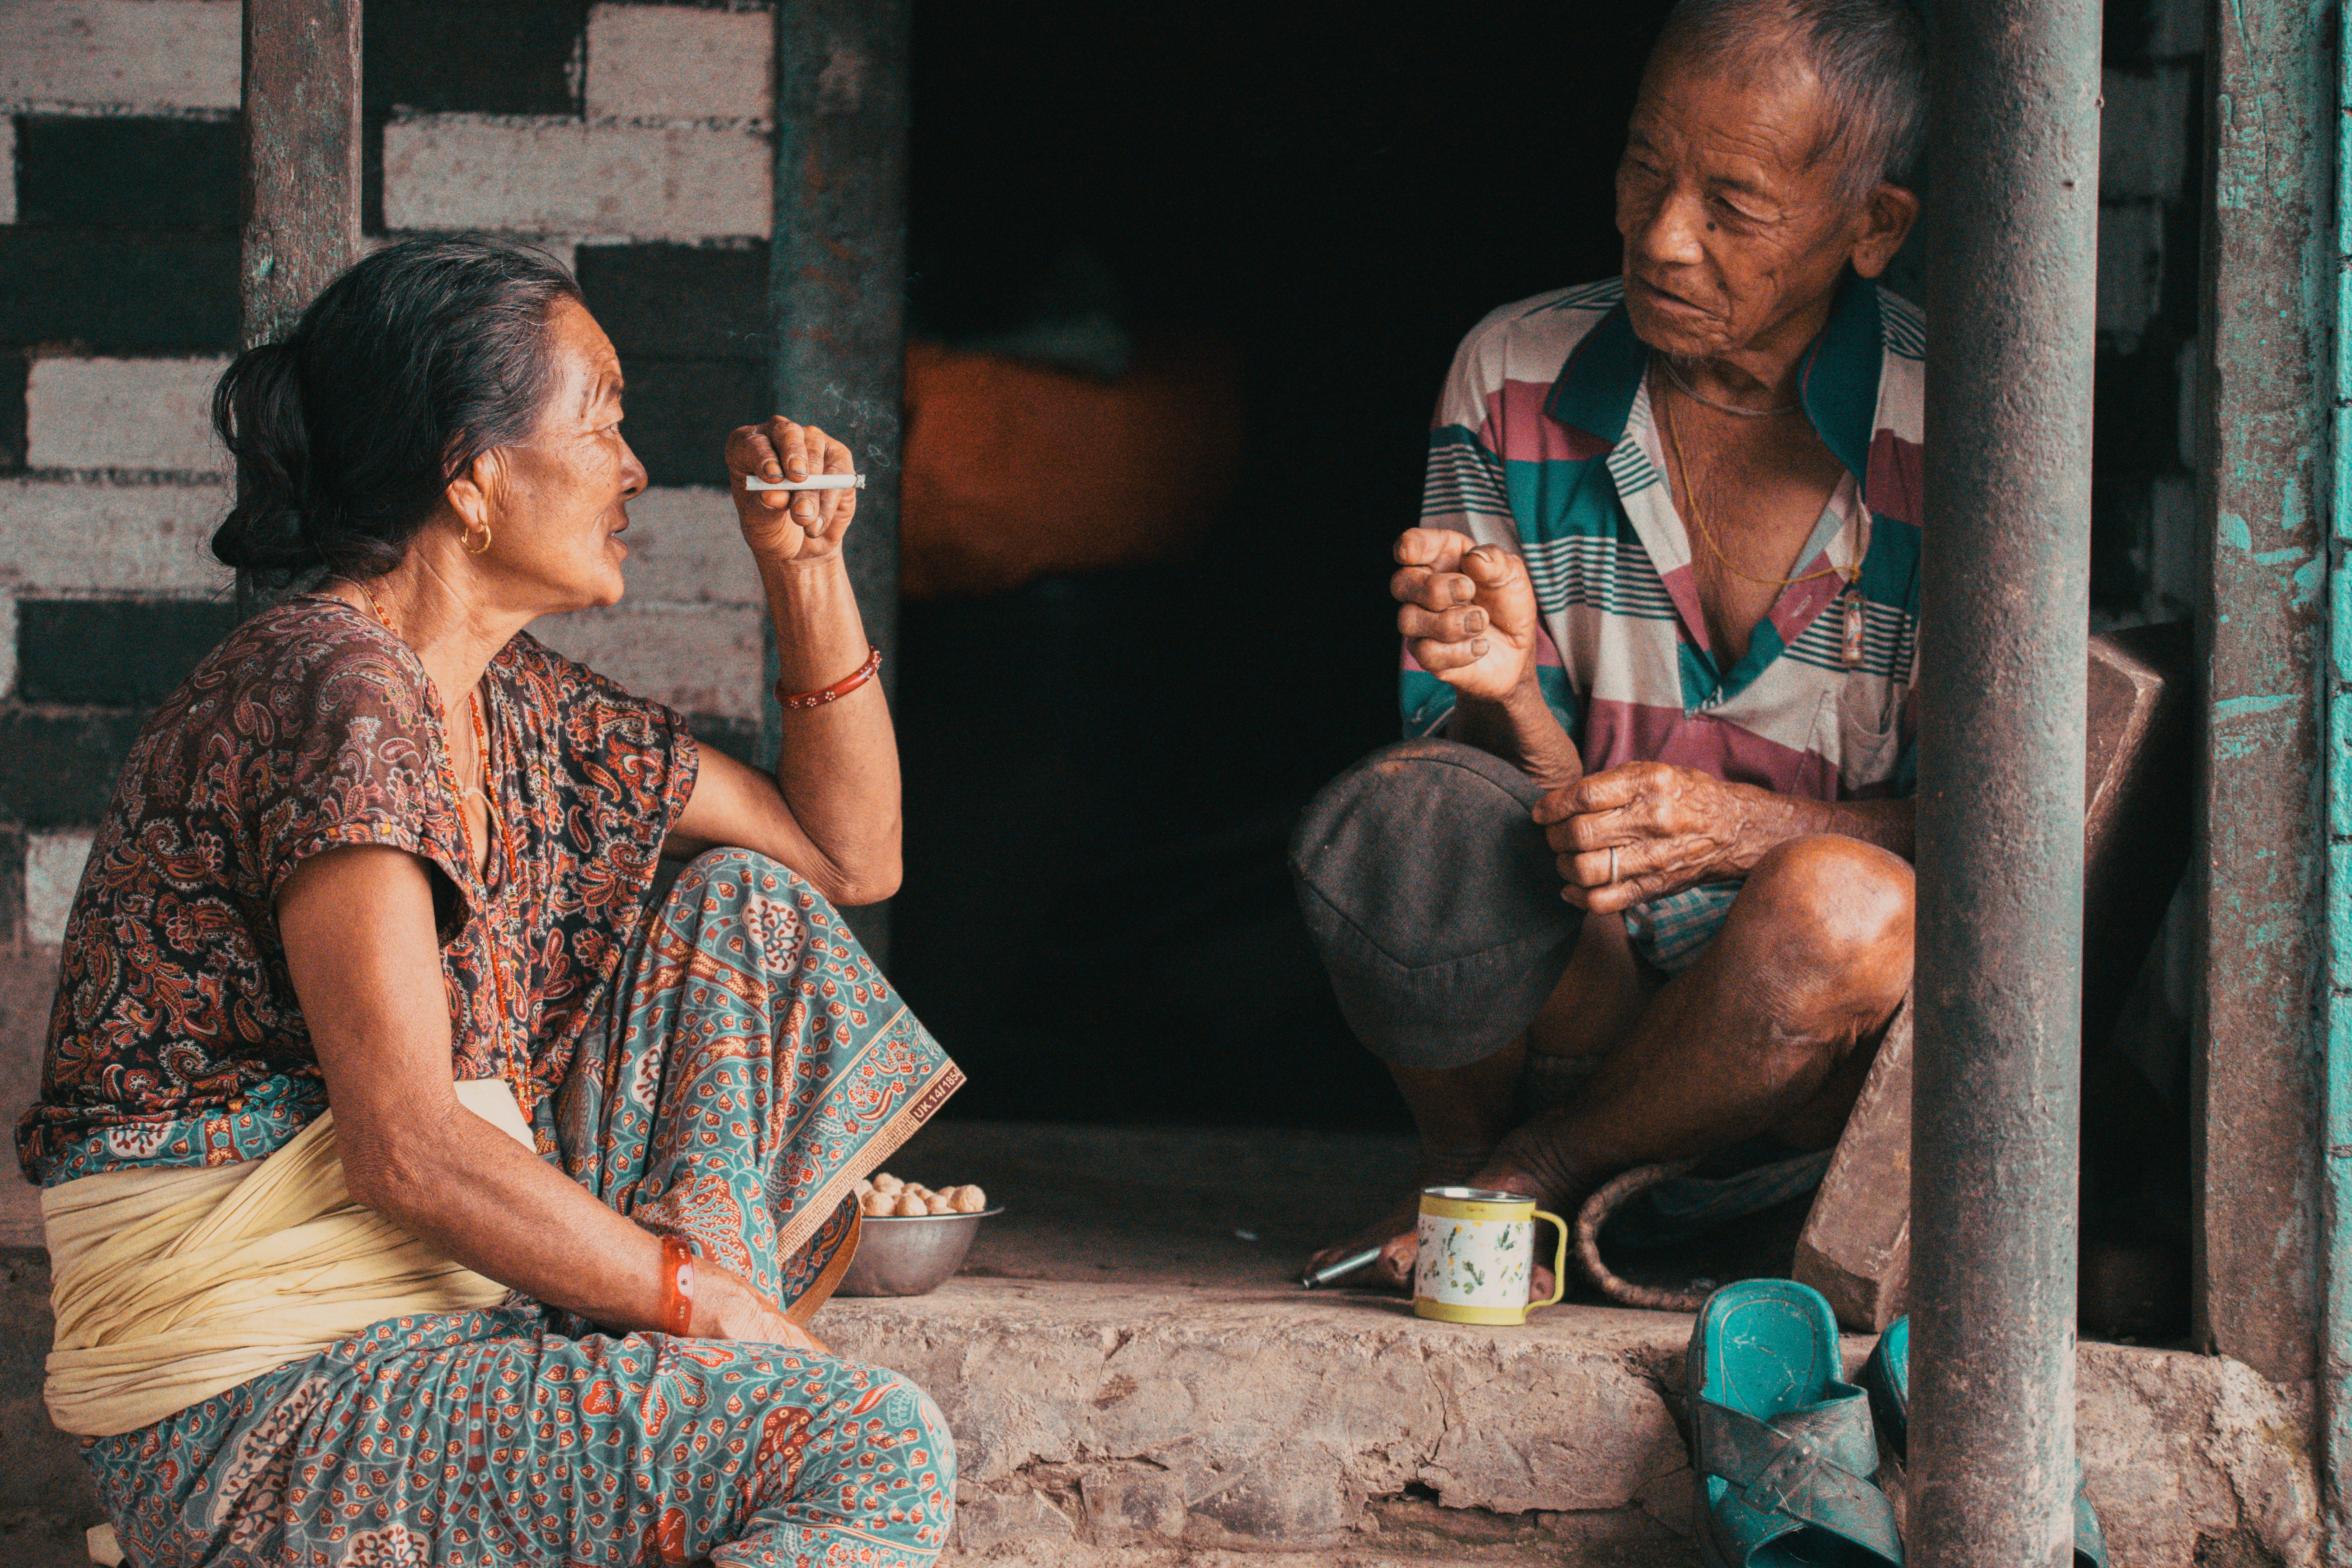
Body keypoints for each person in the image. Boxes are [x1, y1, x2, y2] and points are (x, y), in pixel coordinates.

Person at [18, 236, 963, 1566]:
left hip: (429, 1329)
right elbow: (406, 1146)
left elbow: (847, 857)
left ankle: (699, 1368)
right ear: (471, 477)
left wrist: (807, 567)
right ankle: (722, 1366)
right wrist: (710, 1310)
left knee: (743, 909)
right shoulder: (338, 691)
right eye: (605, 420)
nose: (635, 468)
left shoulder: (517, 706)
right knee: (872, 1447)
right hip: (262, 1404)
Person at [1298, 0, 1926, 1293]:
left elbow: (2014, 840)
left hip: (1806, 1062)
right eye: (1645, 170)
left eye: (1734, 206)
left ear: (1873, 229)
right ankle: (1471, 1181)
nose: (1662, 236)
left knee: (1842, 905)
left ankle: (1524, 1185)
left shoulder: (1961, 423)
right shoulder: (1516, 370)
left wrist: (1745, 831)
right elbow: (1493, 805)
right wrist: (1503, 695)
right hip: (1583, 991)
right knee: (1414, 824)